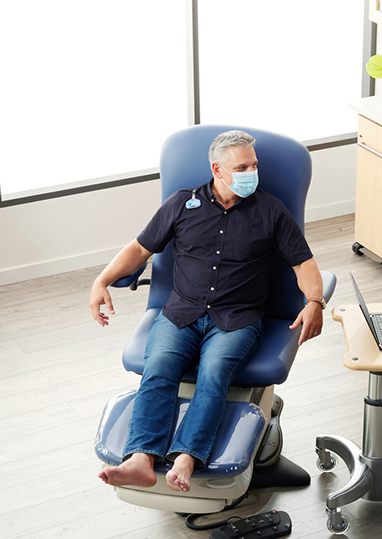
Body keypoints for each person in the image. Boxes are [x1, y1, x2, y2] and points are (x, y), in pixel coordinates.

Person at [90, 130, 324, 493]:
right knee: (158, 370)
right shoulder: (182, 205)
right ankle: (141, 458)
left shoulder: (271, 211)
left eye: (255, 165)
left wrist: (314, 302)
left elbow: (304, 265)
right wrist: (101, 281)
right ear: (217, 168)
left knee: (214, 375)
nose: (252, 172)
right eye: (243, 166)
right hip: (181, 313)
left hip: (237, 319)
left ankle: (187, 456)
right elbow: (139, 250)